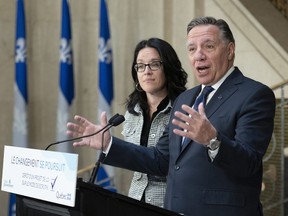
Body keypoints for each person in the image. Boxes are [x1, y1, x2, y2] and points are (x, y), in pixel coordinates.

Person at [67, 17, 276, 216]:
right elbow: (161, 160)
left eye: (208, 46)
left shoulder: (254, 95)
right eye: (192, 49)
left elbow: (249, 163)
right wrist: (109, 144)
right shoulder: (186, 99)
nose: (199, 55)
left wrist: (213, 141)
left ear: (230, 50)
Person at [120, 38, 187, 207]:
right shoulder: (132, 112)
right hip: (135, 202)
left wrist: (112, 146)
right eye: (141, 66)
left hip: (170, 205)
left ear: (168, 68)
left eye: (154, 64)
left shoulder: (184, 109)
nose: (146, 71)